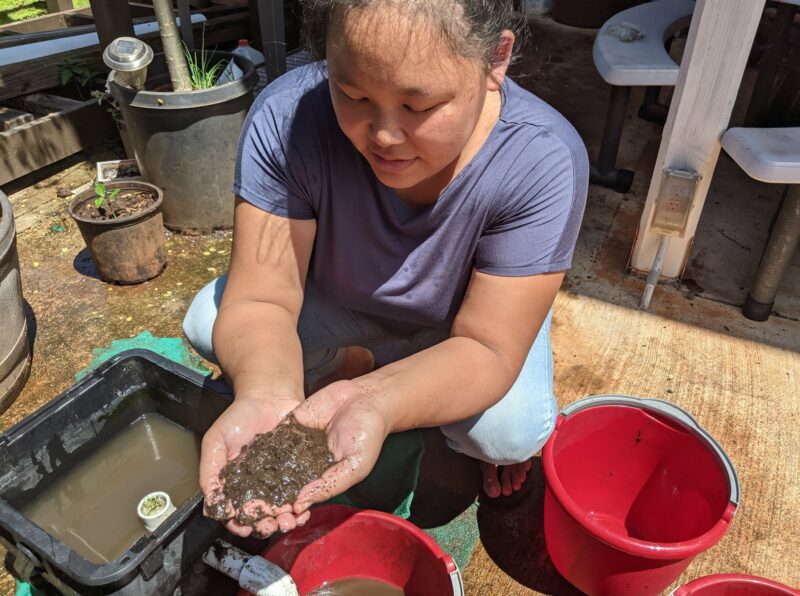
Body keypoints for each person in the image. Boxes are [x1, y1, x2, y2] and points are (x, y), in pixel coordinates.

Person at [183, 0, 588, 539]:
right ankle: (352, 360)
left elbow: (487, 346)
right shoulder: (287, 118)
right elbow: (262, 300)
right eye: (353, 96)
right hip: (342, 298)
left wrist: (375, 401)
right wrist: (263, 394)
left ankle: (377, 376)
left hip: (462, 329)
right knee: (206, 320)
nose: (385, 136)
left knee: (508, 434)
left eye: (419, 107)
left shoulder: (542, 158)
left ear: (496, 60)